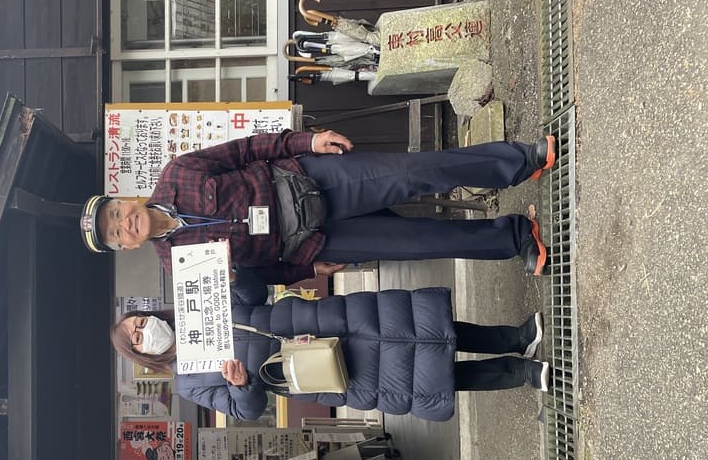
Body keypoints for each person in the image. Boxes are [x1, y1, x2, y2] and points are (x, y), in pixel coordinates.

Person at [80, 130, 557, 285]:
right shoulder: (176, 265)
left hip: (310, 181)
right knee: (421, 242)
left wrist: (307, 140)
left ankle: (522, 160)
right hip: (311, 242)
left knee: (416, 174)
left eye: (117, 214)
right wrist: (307, 272)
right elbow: (255, 276)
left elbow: (247, 151)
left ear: (125, 199)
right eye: (117, 233)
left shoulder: (178, 172)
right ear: (125, 247)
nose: (124, 225)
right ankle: (515, 238)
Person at [110, 268, 551, 421]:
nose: (144, 329)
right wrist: (242, 384)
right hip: (316, 370)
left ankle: (516, 337)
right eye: (136, 336)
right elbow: (247, 410)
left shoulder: (193, 309)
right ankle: (520, 373)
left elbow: (253, 295)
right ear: (140, 354)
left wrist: (235, 276)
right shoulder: (188, 384)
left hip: (321, 319)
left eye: (140, 320)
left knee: (426, 327)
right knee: (428, 378)